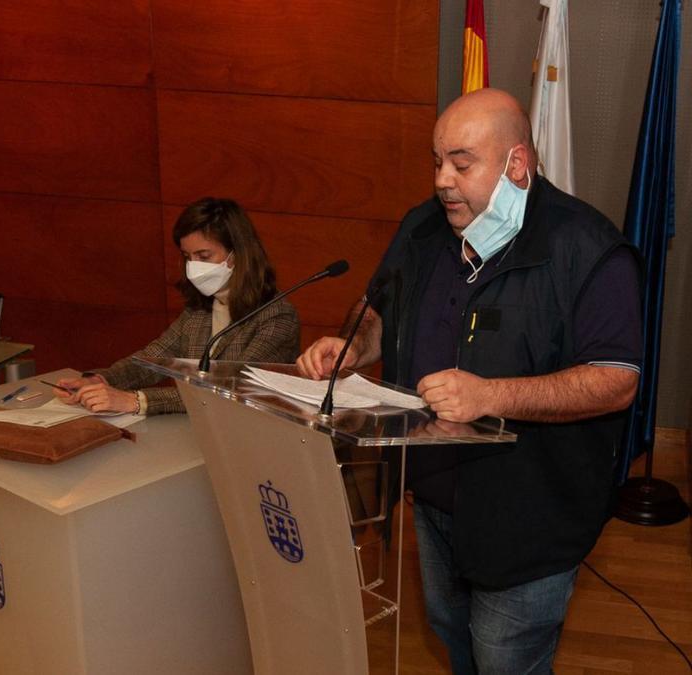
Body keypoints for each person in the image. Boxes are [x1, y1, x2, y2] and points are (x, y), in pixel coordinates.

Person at [297, 88, 641, 674]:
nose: (442, 180)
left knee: (506, 659)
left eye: (461, 162)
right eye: (437, 162)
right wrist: (353, 346)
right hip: (432, 498)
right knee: (455, 639)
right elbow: (380, 310)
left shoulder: (586, 247)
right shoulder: (423, 228)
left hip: (529, 517)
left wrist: (491, 396)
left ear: (516, 163)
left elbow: (616, 380)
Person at [55, 197, 301, 414]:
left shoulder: (276, 318)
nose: (193, 267)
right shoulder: (200, 310)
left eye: (204, 257)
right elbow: (154, 358)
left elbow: (229, 392)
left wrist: (136, 401)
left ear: (237, 255)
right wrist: (102, 380)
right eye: (187, 257)